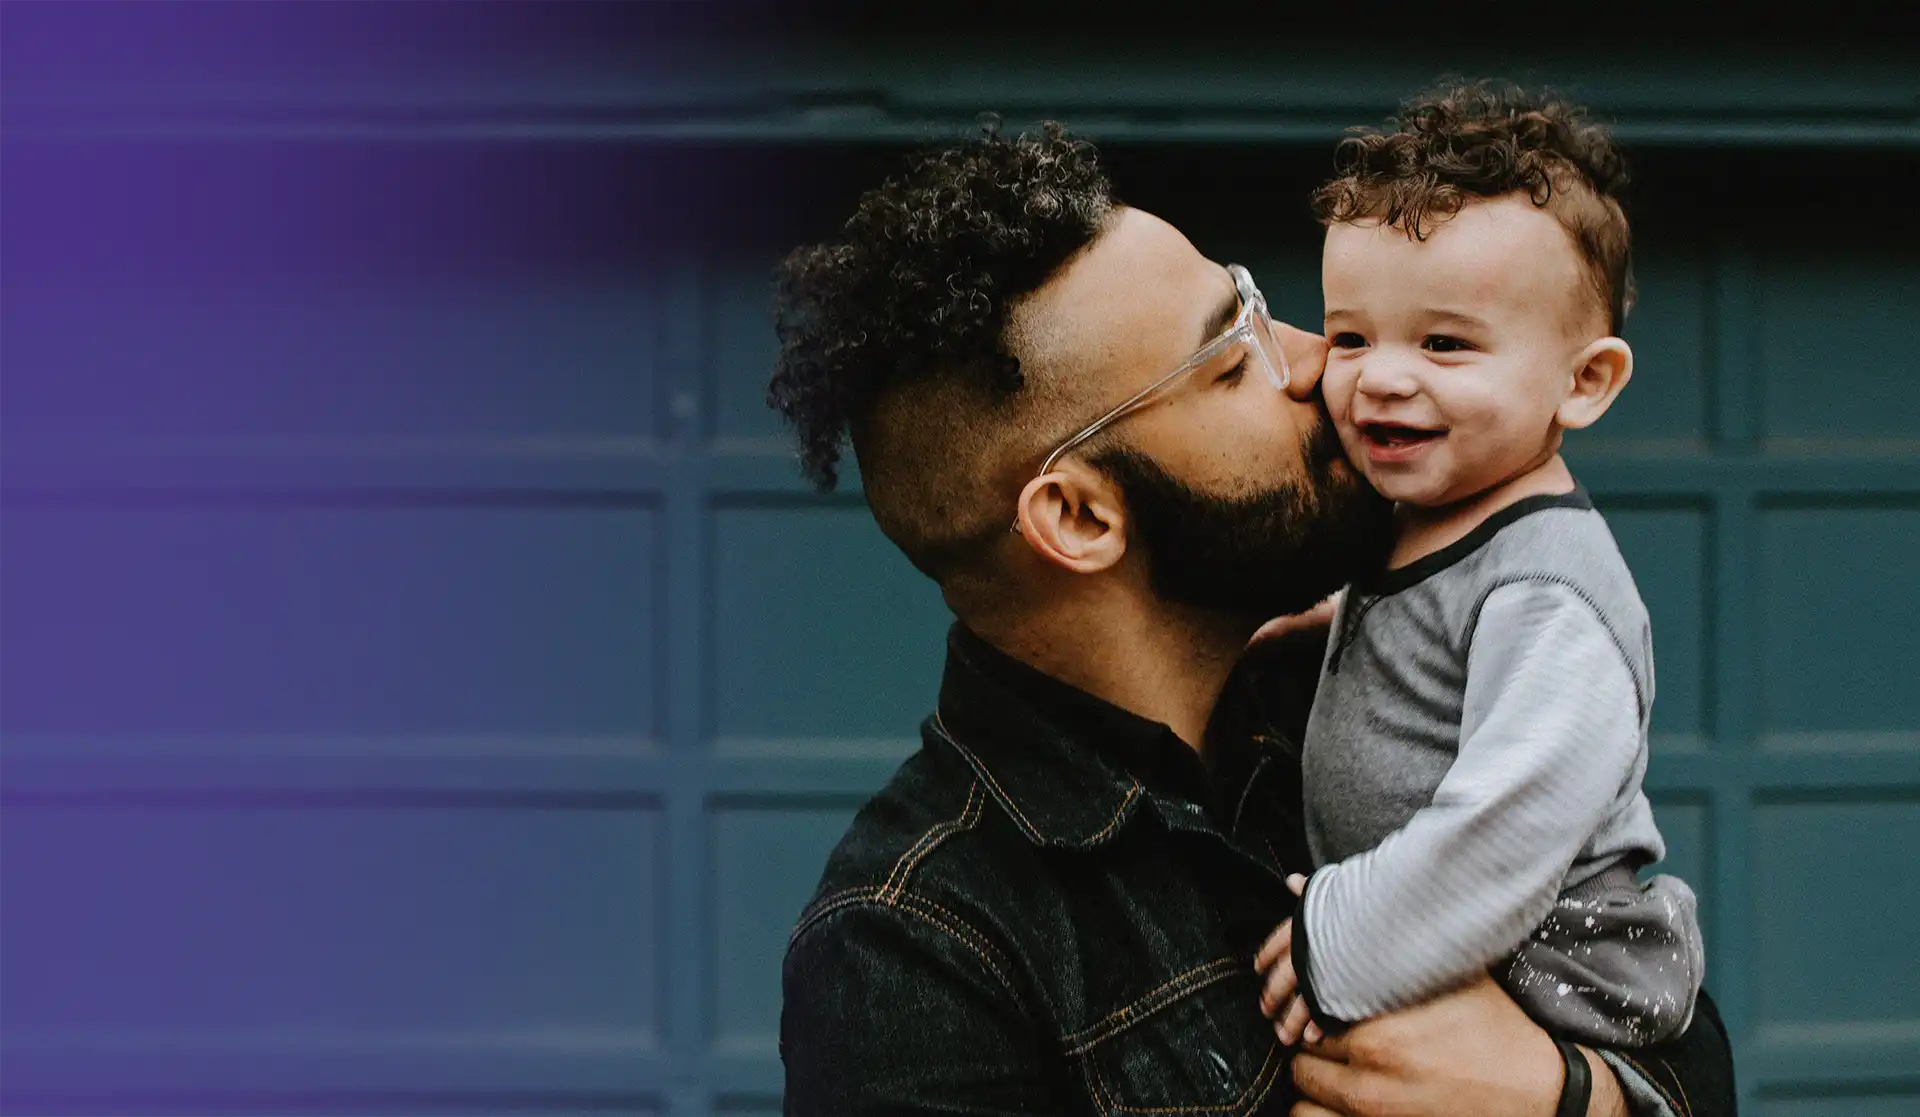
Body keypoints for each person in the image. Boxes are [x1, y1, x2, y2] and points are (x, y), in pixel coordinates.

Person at [769, 114, 1734, 1115]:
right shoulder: (915, 946)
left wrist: (1569, 1097)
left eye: (1260, 311)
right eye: (1233, 361)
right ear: (1078, 514)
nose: (1325, 364)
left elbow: (1682, 1036)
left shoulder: (1364, 689)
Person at [1256, 82, 1706, 1055]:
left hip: (1557, 964)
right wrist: (1329, 626)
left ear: (1584, 382)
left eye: (1445, 343)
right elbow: (1430, 628)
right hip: (1453, 942)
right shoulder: (1424, 518)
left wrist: (1342, 937)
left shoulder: (1548, 592)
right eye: (1350, 337)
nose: (1381, 375)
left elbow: (1510, 821)